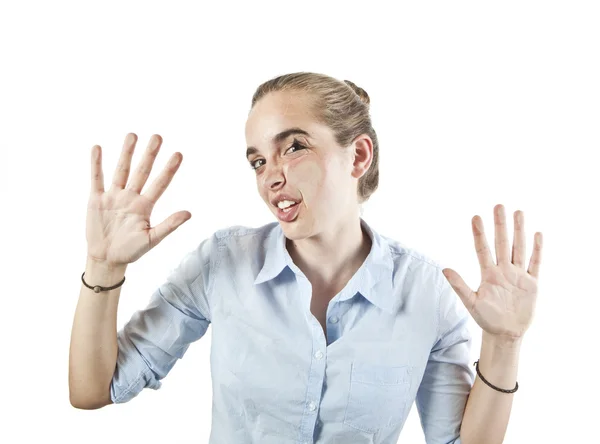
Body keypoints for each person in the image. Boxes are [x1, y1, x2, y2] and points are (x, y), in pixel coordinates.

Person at [69, 72, 543, 444]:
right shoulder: (222, 262)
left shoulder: (425, 292)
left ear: (358, 156)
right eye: (258, 161)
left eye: (293, 147)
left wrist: (504, 343)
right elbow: (95, 389)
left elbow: (459, 441)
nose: (271, 177)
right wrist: (105, 267)